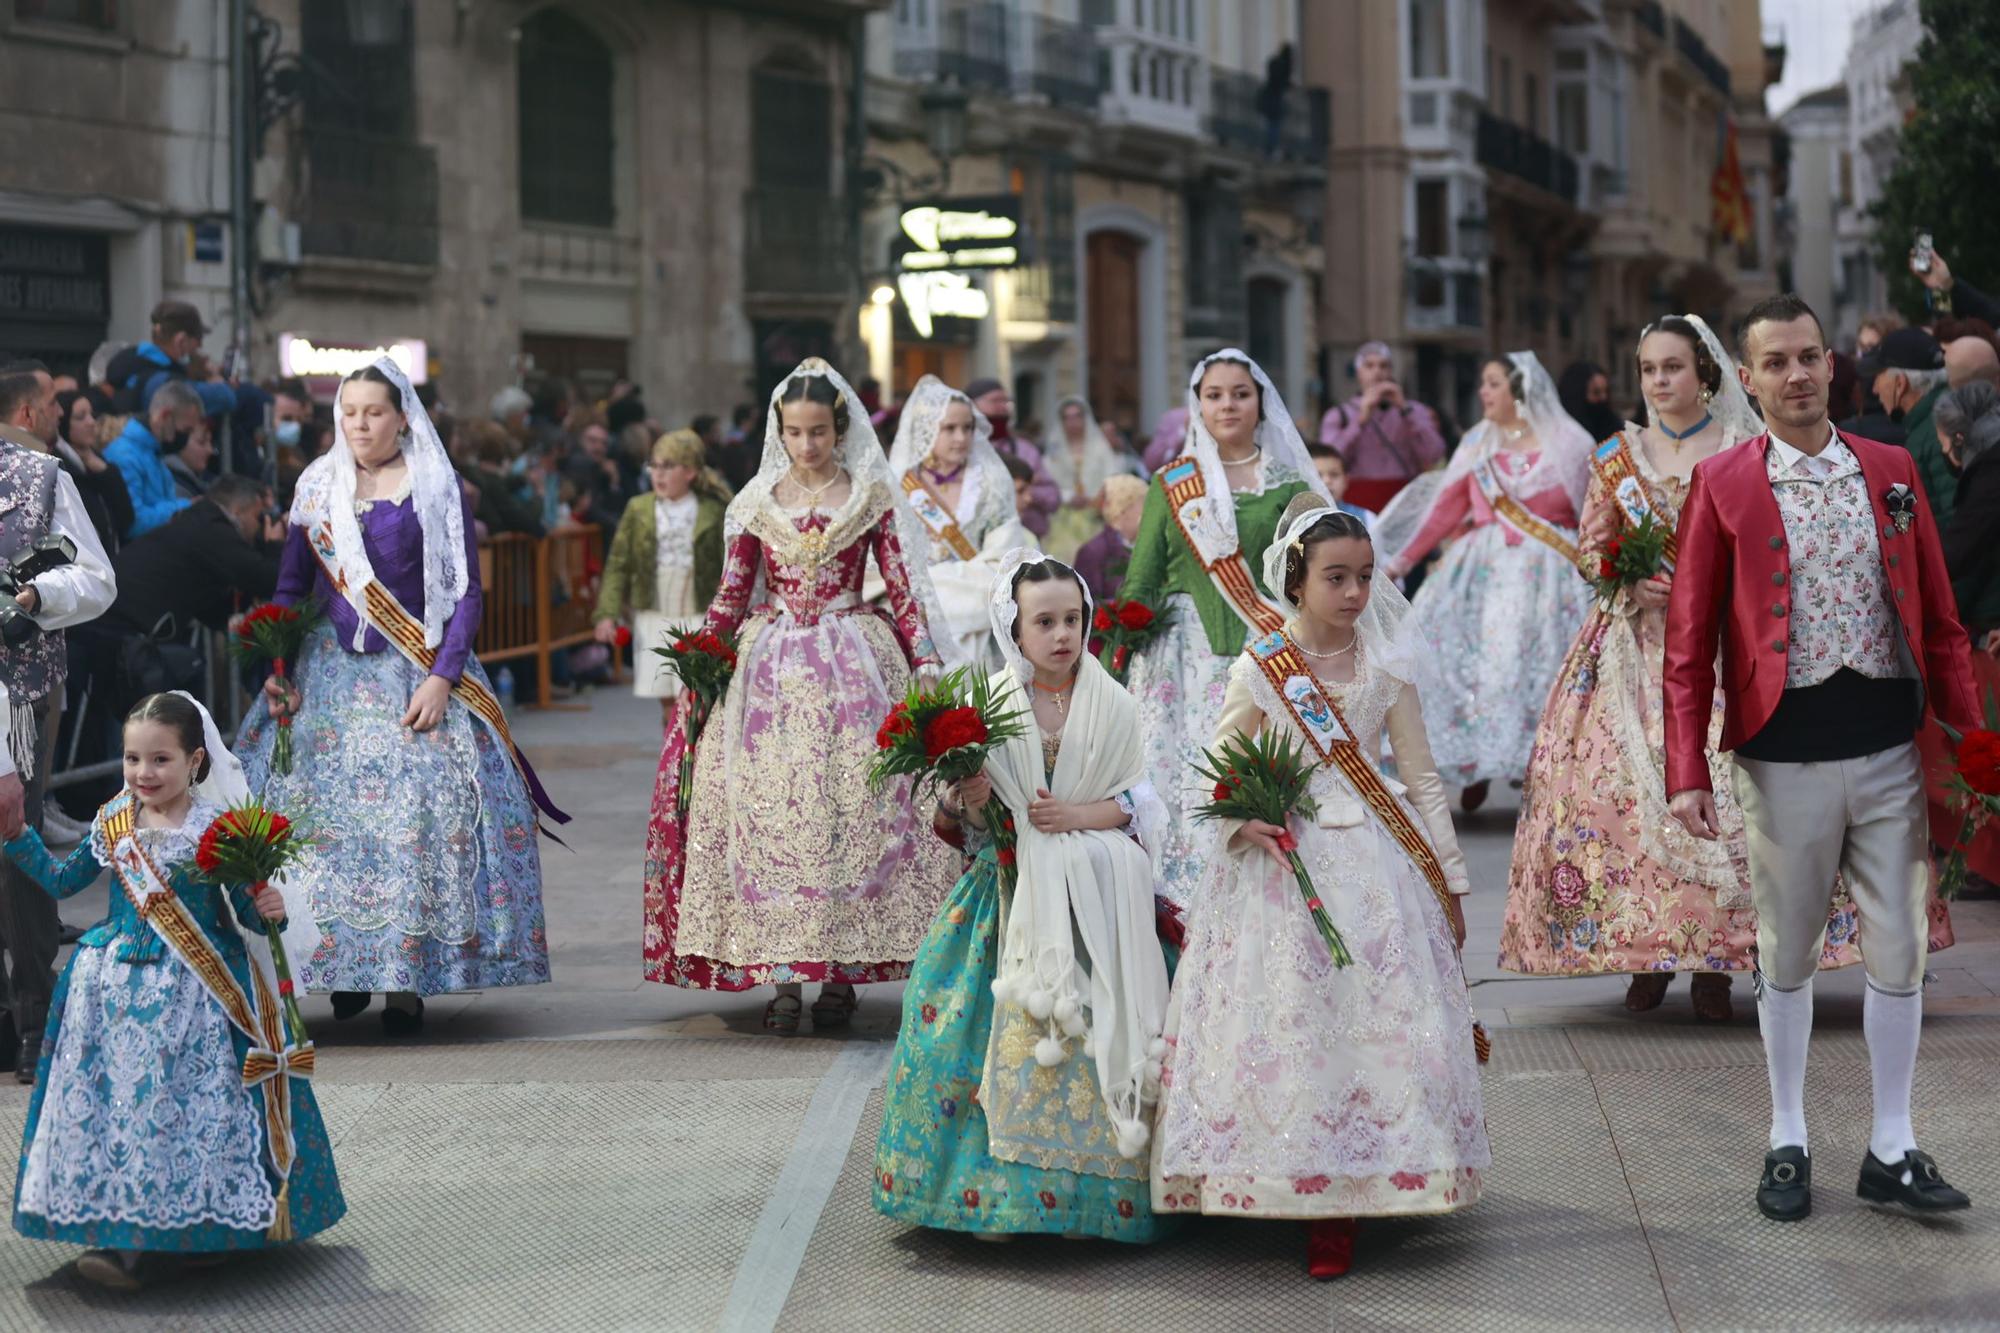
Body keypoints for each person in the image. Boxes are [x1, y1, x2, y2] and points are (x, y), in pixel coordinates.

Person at [1665, 293, 1979, 1223]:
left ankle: (1891, 1143)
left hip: (1887, 746)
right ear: (1749, 378)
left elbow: (1944, 618)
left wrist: (1974, 745)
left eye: (1810, 356)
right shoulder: (1722, 484)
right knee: (1788, 950)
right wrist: (1685, 767)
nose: (1799, 375)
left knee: (1902, 948)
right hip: (1783, 752)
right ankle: (1788, 1133)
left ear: (1831, 363)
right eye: (1777, 362)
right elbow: (1688, 642)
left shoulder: (1889, 467)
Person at [1500, 316, 1911, 1020]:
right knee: (1613, 803)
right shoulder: (1615, 457)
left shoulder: (1746, 450)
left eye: (1673, 368)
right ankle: (1650, 957)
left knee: (1736, 804)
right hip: (1631, 648)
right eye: (1648, 370)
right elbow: (1590, 548)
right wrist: (1625, 583)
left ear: (1707, 374)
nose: (1660, 382)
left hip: (1723, 645)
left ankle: (1721, 962)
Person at [1151, 500, 1486, 1279]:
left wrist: (1453, 882)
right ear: (1297, 580)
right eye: (1336, 577)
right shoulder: (1262, 666)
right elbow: (1221, 763)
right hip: (1283, 863)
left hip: (1376, 860)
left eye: (1365, 577)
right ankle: (1293, 1181)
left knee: (1381, 1020)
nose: (1355, 593)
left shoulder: (1387, 667)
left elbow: (1423, 778)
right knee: (1291, 1020)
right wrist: (1244, 824)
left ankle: (1375, 1178)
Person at [239, 358, 562, 1034]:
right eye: (349, 411)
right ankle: (339, 969)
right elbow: (290, 588)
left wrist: (443, 676)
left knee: (418, 822)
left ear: (402, 415)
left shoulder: (437, 486)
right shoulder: (316, 486)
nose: (360, 423)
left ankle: (404, 976)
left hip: (415, 669)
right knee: (315, 827)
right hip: (327, 673)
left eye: (374, 411)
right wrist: (278, 665)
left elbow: (466, 592)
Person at [640, 359, 961, 1029]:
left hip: (854, 661)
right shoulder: (756, 502)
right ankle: (782, 972)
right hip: (772, 671)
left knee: (853, 814)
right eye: (795, 432)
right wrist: (703, 663)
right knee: (772, 816)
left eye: (818, 432)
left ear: (838, 430)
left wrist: (925, 659)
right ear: (779, 432)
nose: (808, 444)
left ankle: (841, 973)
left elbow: (901, 589)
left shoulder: (869, 496)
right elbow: (733, 593)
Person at [1, 692, 343, 1289]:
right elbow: (62, 880)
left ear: (195, 763)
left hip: (201, 998)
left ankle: (205, 1228)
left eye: (160, 760)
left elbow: (245, 913)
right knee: (123, 1116)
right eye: (132, 759)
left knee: (190, 1115)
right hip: (111, 994)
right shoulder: (115, 821)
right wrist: (18, 836)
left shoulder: (220, 830)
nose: (143, 774)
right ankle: (120, 1232)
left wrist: (270, 910)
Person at [874, 553, 1171, 1241]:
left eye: (1073, 618)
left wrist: (1079, 816)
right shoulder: (993, 705)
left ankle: (1090, 1200)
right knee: (982, 1029)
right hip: (1007, 892)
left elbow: (1139, 801)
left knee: (1098, 1032)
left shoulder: (1115, 701)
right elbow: (963, 826)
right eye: (1045, 621)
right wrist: (968, 795)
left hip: (1096, 895)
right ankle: (997, 1197)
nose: (1063, 634)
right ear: (1015, 628)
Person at [1116, 349, 1330, 909]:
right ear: (1198, 406)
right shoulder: (1172, 483)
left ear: (1261, 401)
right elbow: (1143, 575)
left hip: (1269, 651)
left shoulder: (1289, 487)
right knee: (1182, 779)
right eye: (1215, 395)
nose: (1228, 404)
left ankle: (1269, 899)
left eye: (1240, 393)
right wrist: (1121, 640)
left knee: (1265, 779)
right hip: (1181, 662)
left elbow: (1309, 578)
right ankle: (1187, 907)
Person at [1375, 352, 1595, 811]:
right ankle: (1475, 762)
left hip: (1551, 577)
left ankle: (1531, 765)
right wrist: (1401, 561)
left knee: (1539, 670)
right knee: (1463, 666)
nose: (1483, 393)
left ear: (1520, 390)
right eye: (1483, 384)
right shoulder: (1478, 442)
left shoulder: (1569, 441)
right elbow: (1446, 508)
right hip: (1481, 572)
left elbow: (1592, 509)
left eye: (1492, 383)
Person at [0, 362, 119, 1080]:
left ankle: (33, 1016)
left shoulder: (40, 477)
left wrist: (38, 597)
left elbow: (97, 577)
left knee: (16, 841)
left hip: (19, 689)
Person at [881, 376, 1035, 667]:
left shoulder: (990, 484)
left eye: (968, 427)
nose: (961, 437)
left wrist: (933, 586)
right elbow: (884, 563)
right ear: (926, 429)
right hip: (914, 627)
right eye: (949, 428)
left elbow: (1006, 561)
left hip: (978, 626)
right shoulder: (898, 486)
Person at [594, 430, 730, 719]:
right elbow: (619, 563)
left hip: (698, 613)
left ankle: (693, 759)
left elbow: (729, 563)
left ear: (691, 471)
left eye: (668, 466)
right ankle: (672, 760)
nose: (658, 473)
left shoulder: (713, 511)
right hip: (654, 614)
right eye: (654, 465)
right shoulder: (639, 508)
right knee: (668, 701)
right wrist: (608, 612)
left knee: (698, 696)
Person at [105, 473, 282, 638]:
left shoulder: (198, 522)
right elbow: (267, 579)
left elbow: (214, 610)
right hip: (120, 623)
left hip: (115, 616)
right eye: (258, 517)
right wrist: (275, 543)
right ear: (237, 511)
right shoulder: (213, 531)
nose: (259, 526)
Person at [1316, 341, 1448, 513]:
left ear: (1391, 371)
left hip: (1402, 500)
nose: (1377, 372)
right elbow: (1329, 459)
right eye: (1369, 366)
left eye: (1384, 366)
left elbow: (1434, 453)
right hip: (1358, 500)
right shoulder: (1339, 415)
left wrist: (1406, 410)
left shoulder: (1414, 411)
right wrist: (1359, 421)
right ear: (1359, 373)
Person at [1858, 327, 1953, 524]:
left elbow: (1959, 519)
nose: (1875, 389)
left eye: (1879, 376)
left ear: (1900, 384)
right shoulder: (1936, 418)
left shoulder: (1939, 429)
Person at [1935, 381, 2000, 644]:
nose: (1943, 452)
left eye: (1944, 443)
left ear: (1959, 438)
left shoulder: (1990, 472)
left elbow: (1957, 551)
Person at [104, 379, 204, 538]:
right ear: (165, 416)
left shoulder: (154, 453)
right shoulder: (125, 456)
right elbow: (133, 522)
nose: (186, 438)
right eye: (185, 430)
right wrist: (186, 507)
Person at [102, 300, 236, 419]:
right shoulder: (165, 380)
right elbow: (225, 398)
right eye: (198, 339)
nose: (200, 346)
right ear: (181, 341)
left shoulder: (130, 360)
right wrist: (217, 381)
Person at [1042, 396, 1136, 562]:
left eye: (1077, 416)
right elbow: (1046, 480)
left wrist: (1096, 498)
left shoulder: (1100, 447)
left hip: (1095, 514)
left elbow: (1112, 478)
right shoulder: (1054, 449)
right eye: (1067, 417)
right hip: (1062, 518)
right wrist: (1067, 496)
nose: (1073, 422)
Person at [965, 378, 1060, 539]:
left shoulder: (1025, 449)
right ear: (973, 405)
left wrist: (1025, 489)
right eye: (995, 400)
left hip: (1025, 539)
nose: (1003, 407)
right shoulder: (964, 449)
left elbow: (1053, 498)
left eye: (1006, 401)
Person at [53, 387, 134, 553]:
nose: (91, 422)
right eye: (80, 417)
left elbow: (126, 518)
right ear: (63, 423)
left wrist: (105, 471)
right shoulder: (62, 469)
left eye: (91, 414)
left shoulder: (97, 460)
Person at [1074, 473, 1148, 604]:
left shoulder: (1144, 547)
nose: (1147, 513)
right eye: (1142, 505)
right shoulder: (1093, 552)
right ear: (1123, 509)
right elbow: (1086, 605)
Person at [1305, 443, 1378, 530]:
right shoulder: (1293, 520)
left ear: (1346, 481)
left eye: (1334, 474)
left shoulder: (1367, 518)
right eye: (1318, 475)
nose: (1327, 481)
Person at [1557, 359, 1626, 445]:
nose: (1603, 397)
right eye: (1596, 392)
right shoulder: (1561, 432)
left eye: (1606, 391)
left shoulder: (1615, 429)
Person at [163, 419, 214, 499]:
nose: (210, 450)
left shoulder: (203, 480)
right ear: (179, 443)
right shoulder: (173, 489)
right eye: (202, 442)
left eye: (210, 442)